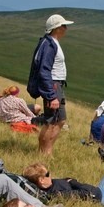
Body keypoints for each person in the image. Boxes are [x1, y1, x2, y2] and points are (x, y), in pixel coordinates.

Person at [22, 158, 104, 207]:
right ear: (41, 181)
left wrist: (72, 182)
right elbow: (87, 194)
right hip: (102, 201)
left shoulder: (51, 184)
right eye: (48, 174)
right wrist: (74, 183)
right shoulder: (57, 194)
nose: (51, 174)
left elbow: (69, 180)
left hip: (100, 190)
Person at [27, 14, 73, 155]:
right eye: (64, 26)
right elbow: (44, 70)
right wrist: (51, 96)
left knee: (59, 120)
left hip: (54, 85)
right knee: (52, 121)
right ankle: (45, 154)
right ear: (56, 28)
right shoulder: (49, 45)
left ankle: (46, 152)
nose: (66, 28)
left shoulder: (49, 42)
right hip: (53, 86)